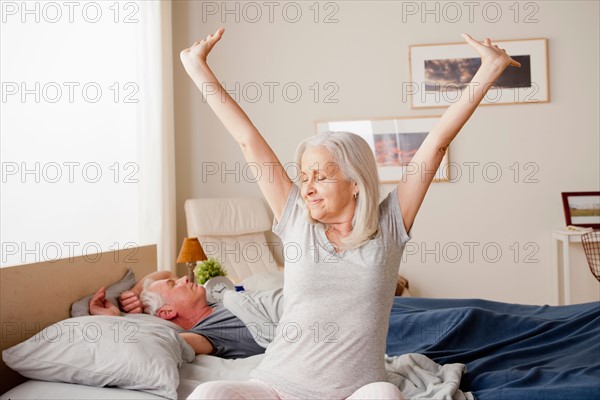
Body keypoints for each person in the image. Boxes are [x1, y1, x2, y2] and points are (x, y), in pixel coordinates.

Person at [179, 28, 520, 400]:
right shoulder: (296, 221)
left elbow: (436, 145)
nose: (307, 187)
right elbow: (248, 141)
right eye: (304, 176)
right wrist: (197, 68)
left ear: (355, 182)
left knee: (385, 396)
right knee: (208, 393)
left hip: (354, 392)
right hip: (275, 386)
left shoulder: (389, 227)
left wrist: (488, 70)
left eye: (321, 177)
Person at [89, 271, 265, 359]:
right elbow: (150, 343)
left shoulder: (212, 303)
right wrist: (115, 318)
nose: (186, 278)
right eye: (174, 284)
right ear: (167, 312)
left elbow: (165, 272)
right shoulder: (204, 334)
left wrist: (133, 293)